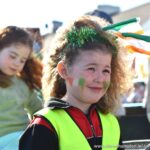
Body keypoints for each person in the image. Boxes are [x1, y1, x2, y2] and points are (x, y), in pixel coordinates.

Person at [19, 15, 129, 150]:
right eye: (91, 68)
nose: (100, 78)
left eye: (106, 70)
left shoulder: (111, 123)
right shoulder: (44, 126)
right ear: (64, 70)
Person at [0, 26, 43, 150]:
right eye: (13, 56)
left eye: (22, 60)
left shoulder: (23, 84)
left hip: (20, 137)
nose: (17, 63)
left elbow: (37, 108)